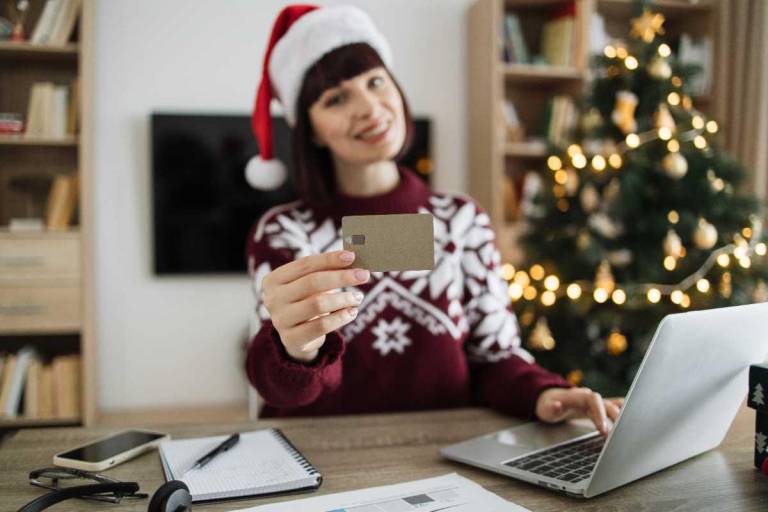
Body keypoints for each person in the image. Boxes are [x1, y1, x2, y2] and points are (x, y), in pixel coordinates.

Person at [244, 4, 620, 435]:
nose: (369, 107)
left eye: (375, 81)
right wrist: (298, 350)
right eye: (336, 98)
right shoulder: (285, 232)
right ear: (308, 128)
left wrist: (545, 393)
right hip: (324, 459)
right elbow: (281, 388)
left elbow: (495, 356)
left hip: (445, 455)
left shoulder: (460, 220)